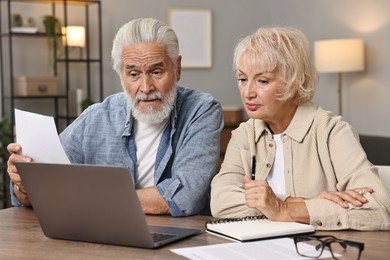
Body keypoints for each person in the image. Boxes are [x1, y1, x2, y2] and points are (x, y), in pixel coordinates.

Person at [7, 18, 223, 217]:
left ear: (177, 69)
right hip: (103, 235)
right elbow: (41, 188)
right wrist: (23, 185)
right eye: (134, 74)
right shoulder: (97, 117)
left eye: (156, 72)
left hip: (177, 242)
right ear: (121, 75)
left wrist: (85, 199)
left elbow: (187, 195)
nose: (146, 87)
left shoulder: (201, 110)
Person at [210, 26, 390, 230]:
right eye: (242, 79)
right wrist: (299, 203)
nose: (248, 92)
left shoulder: (332, 131)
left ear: (295, 82)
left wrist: (284, 210)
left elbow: (378, 209)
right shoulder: (244, 135)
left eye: (262, 81)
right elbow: (220, 201)